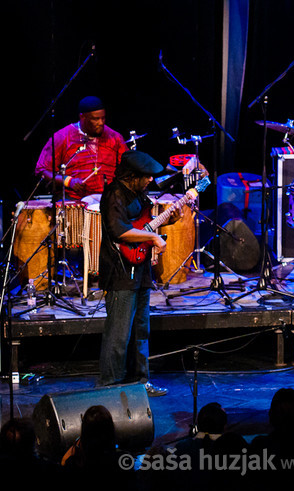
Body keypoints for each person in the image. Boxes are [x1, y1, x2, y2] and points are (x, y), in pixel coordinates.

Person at [97, 149, 182, 396]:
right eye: (146, 176)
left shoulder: (140, 196)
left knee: (140, 330)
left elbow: (142, 225)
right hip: (120, 271)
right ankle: (111, 386)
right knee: (119, 334)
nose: (150, 180)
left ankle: (140, 382)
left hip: (141, 268)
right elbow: (119, 231)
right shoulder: (114, 195)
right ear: (132, 175)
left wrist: (167, 221)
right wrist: (154, 237)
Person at [34, 96, 129, 200]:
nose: (101, 123)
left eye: (103, 118)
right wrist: (68, 181)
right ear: (83, 117)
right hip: (74, 199)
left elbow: (128, 168)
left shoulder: (115, 137)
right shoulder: (62, 137)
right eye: (96, 119)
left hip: (109, 200)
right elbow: (42, 170)